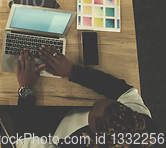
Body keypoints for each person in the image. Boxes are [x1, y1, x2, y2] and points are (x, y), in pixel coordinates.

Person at [14, 46, 158, 147]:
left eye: (93, 109)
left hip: (51, 133)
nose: (94, 101)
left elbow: (24, 140)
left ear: (94, 133)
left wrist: (25, 90)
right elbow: (121, 90)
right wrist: (73, 71)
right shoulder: (141, 122)